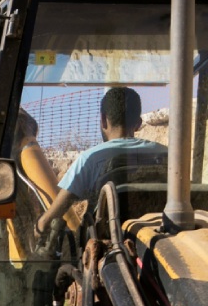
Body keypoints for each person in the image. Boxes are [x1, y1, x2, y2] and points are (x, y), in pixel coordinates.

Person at [36, 86, 167, 232]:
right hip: (160, 237)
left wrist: (40, 225)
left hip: (109, 246)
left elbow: (55, 213)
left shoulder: (90, 158)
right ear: (138, 123)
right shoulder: (165, 154)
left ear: (103, 120)